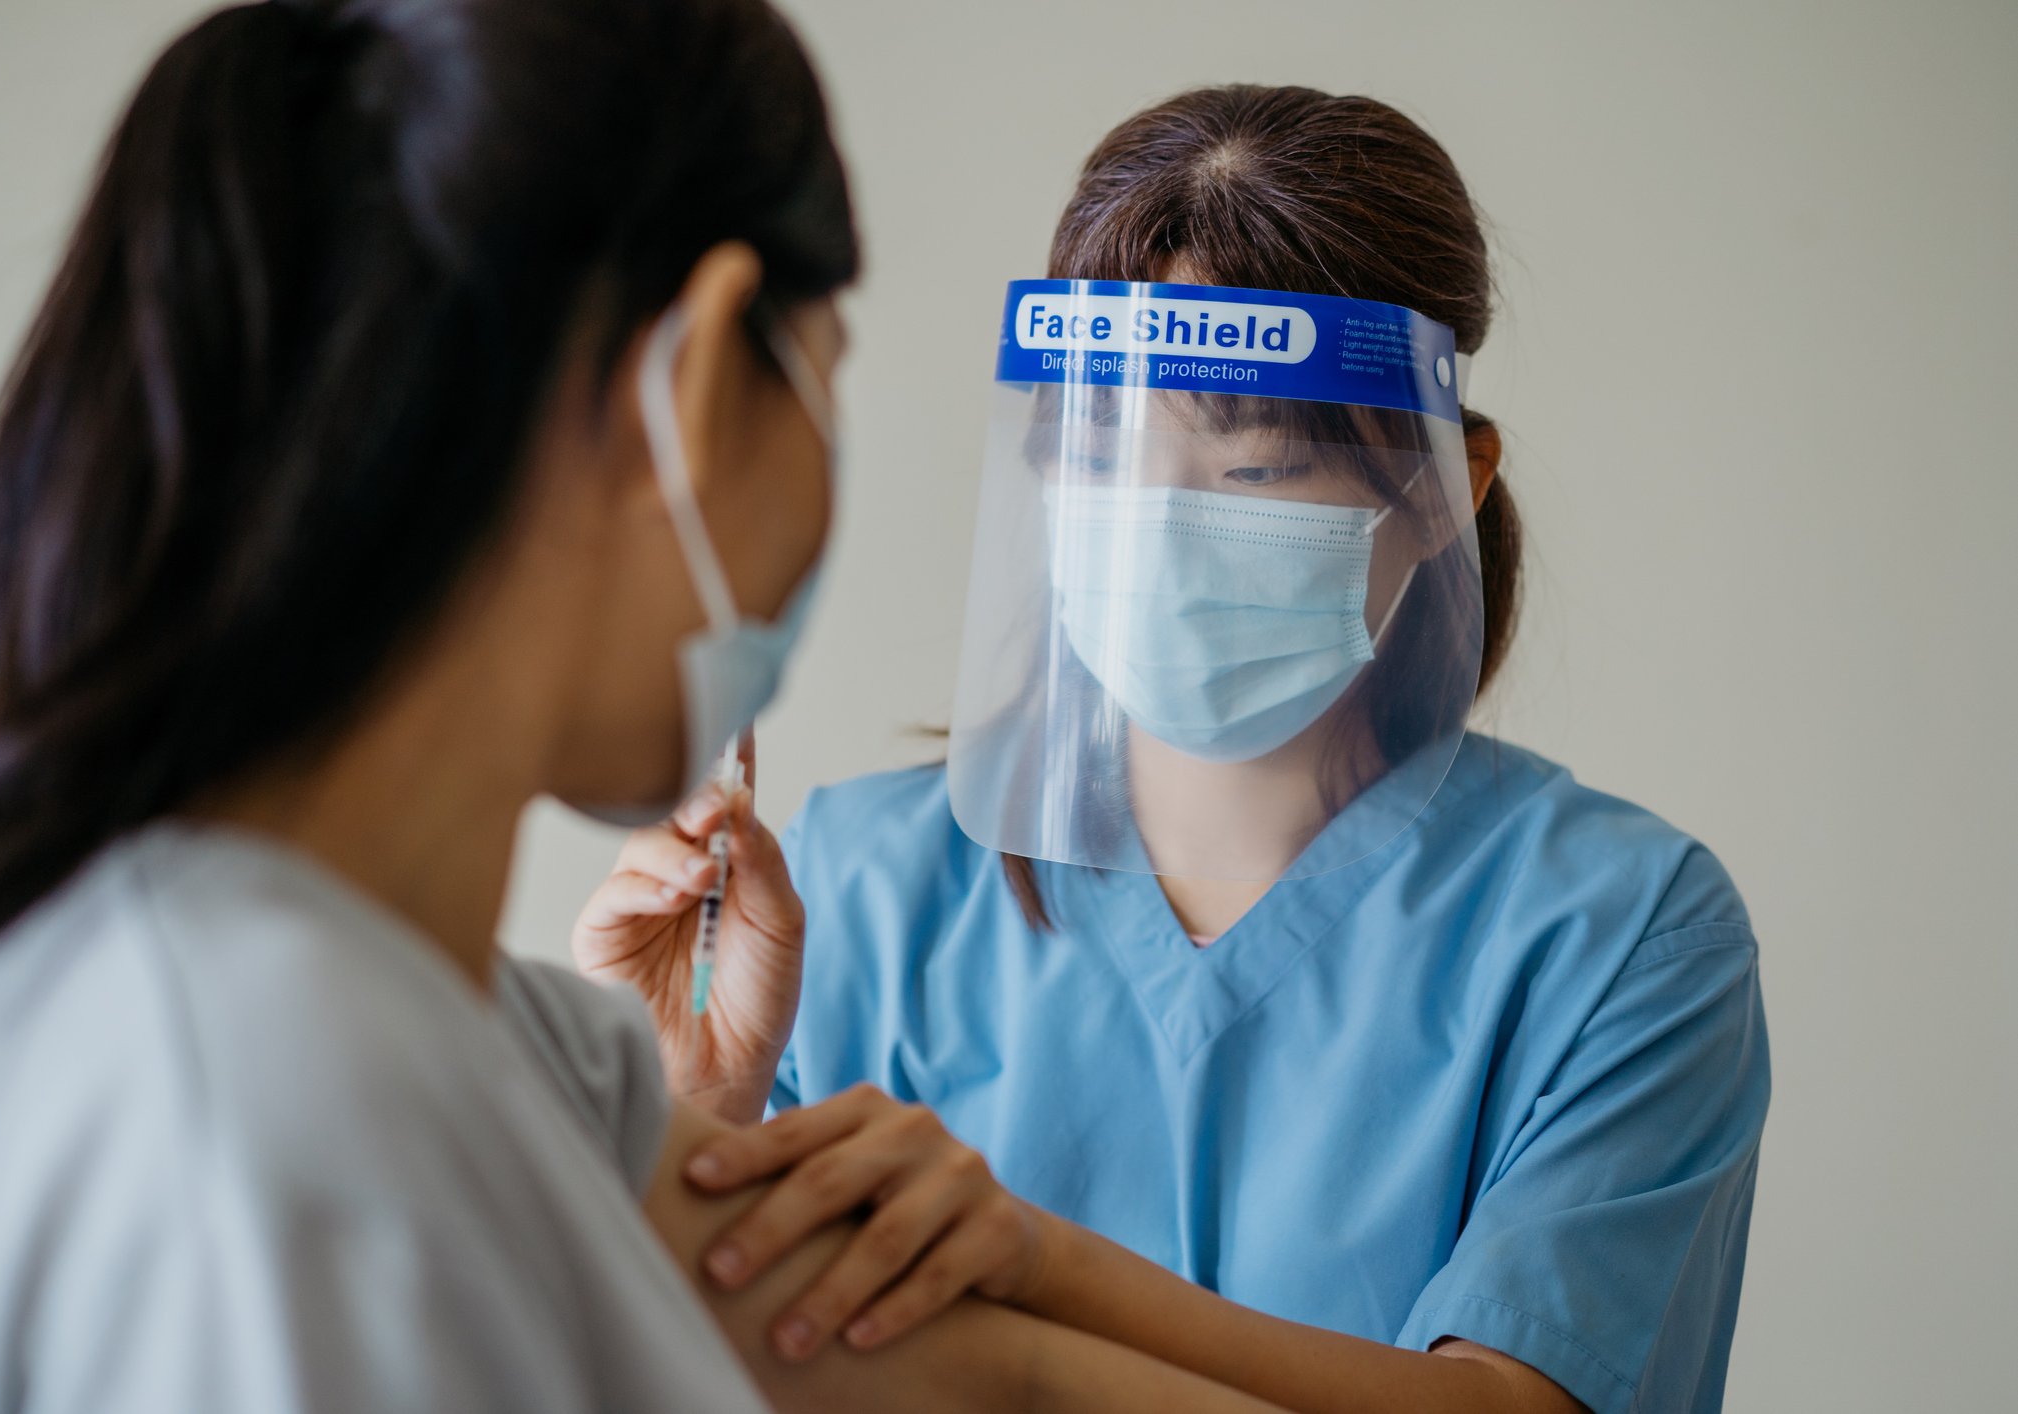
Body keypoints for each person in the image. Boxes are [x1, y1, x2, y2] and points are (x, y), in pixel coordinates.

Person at [0, 5, 1290, 1411]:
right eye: (821, 372)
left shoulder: (506, 1047)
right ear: (690, 385)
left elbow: (994, 1380)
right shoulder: (257, 1094)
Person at [581, 86, 1770, 1414]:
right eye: (1102, 463)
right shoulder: (843, 894)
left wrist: (1033, 1266)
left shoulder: (1616, 933)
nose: (1154, 533)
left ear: (1446, 486)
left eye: (1253, 473)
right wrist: (674, 1125)